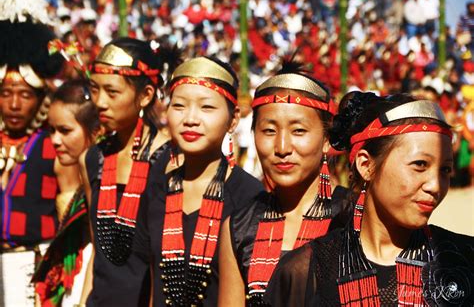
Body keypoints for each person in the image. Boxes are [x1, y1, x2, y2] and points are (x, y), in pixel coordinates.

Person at [265, 92, 474, 306]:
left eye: (445, 170)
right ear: (366, 165)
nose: (435, 186)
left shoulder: (465, 259)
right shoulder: (305, 273)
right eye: (420, 164)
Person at [133, 56, 264, 306]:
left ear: (233, 119)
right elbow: (153, 286)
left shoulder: (250, 196)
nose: (190, 119)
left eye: (206, 107)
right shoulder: (155, 189)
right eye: (179, 105)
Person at [218, 62, 351, 306]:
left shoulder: (354, 217)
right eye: (269, 131)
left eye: (298, 131)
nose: (281, 148)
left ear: (326, 139)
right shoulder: (238, 227)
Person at [80, 37, 171, 306]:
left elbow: (163, 262)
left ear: (145, 95)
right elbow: (99, 250)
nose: (100, 102)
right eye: (94, 89)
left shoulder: (171, 161)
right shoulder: (93, 157)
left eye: (112, 91)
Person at [0, 0, 65, 305]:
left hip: (33, 265)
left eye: (25, 94)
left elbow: (68, 210)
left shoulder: (55, 145)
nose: (14, 104)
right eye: (6, 93)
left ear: (40, 99)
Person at [32, 80, 100, 306]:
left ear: (95, 130)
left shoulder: (101, 178)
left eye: (65, 130)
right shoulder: (85, 176)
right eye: (51, 130)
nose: (55, 140)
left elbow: (100, 249)